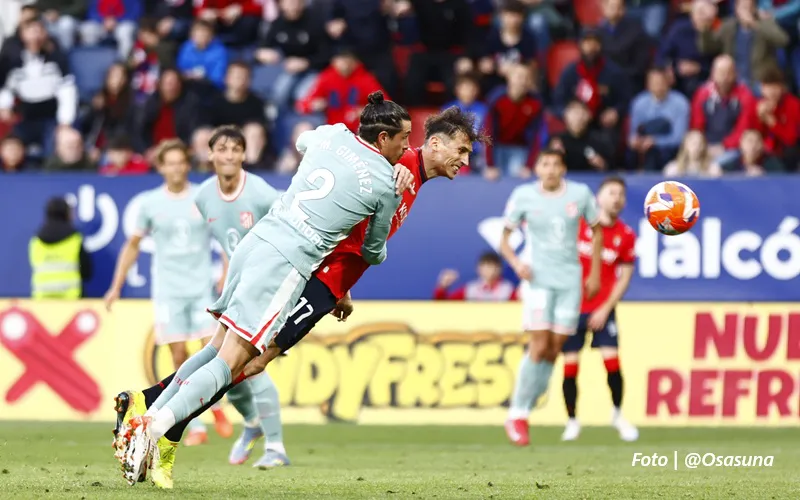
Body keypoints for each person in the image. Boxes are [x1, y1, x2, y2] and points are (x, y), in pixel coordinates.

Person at [113, 106, 483, 488]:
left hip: (317, 275)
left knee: (233, 354)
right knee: (245, 362)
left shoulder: (395, 167)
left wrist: (344, 288)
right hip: (308, 274)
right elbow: (367, 238)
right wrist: (333, 282)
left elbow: (346, 220)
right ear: (432, 143)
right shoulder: (392, 167)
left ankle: (149, 407)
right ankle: (158, 426)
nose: (465, 160)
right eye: (462, 150)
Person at [104, 139, 232, 451]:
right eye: (170, 162)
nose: (176, 167)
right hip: (169, 292)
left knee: (211, 353)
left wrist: (226, 275)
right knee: (177, 357)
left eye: (180, 161)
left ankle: (216, 408)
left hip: (202, 288)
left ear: (187, 164)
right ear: (161, 167)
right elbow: (133, 245)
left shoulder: (203, 197)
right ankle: (196, 423)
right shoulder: (149, 203)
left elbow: (227, 237)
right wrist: (116, 285)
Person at [499, 148, 603, 447]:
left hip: (570, 279)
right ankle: (517, 414)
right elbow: (504, 238)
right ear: (537, 169)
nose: (551, 169)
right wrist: (517, 263)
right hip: (538, 279)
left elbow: (597, 232)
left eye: (556, 164)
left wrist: (593, 273)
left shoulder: (581, 194)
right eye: (545, 164)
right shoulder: (524, 196)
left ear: (563, 169)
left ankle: (527, 407)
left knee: (555, 348)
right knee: (539, 344)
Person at [560, 176, 639, 443]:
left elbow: (625, 276)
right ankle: (572, 421)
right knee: (570, 367)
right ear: (599, 197)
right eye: (611, 192)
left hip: (602, 309)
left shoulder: (626, 235)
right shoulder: (579, 225)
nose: (617, 198)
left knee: (613, 363)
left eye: (621, 194)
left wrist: (606, 308)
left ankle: (617, 415)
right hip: (572, 307)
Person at [29, 197, 93, 299]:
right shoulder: (74, 238)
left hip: (41, 299)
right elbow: (87, 271)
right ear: (66, 214)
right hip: (71, 298)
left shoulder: (36, 241)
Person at [433, 252, 517, 301]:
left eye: (492, 266)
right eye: (485, 266)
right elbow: (444, 306)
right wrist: (442, 287)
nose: (488, 270)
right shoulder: (470, 289)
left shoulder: (508, 290)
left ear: (499, 269)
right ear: (478, 269)